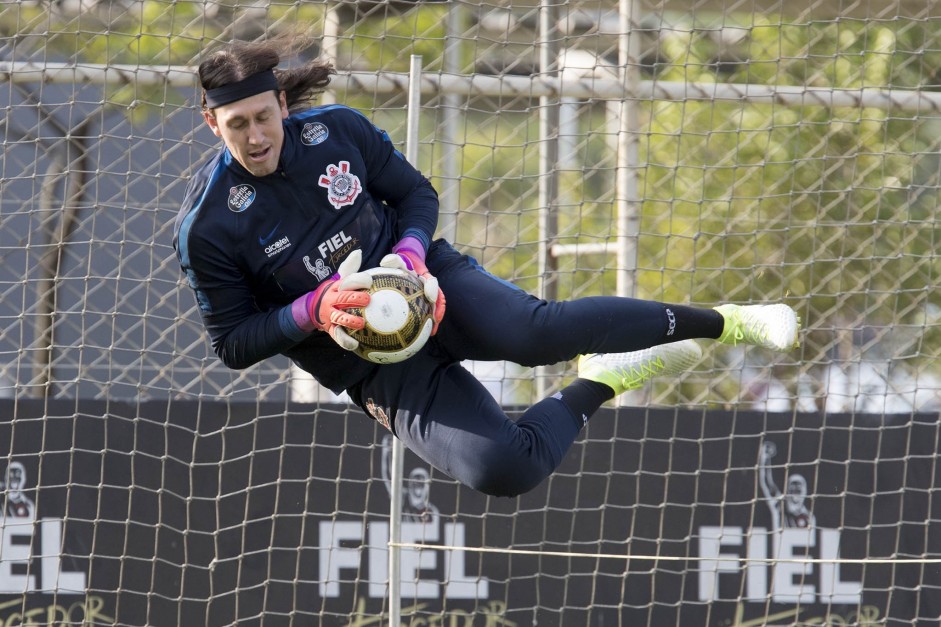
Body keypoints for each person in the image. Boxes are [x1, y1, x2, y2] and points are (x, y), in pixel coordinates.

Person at [173, 40, 801, 498]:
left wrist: (410, 257)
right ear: (211, 123)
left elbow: (416, 195)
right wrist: (314, 309)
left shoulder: (337, 131)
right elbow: (232, 343)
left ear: (282, 103)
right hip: (365, 364)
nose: (256, 137)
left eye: (263, 117)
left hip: (431, 285)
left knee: (536, 334)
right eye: (237, 126)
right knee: (503, 470)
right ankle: (603, 381)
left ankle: (728, 323)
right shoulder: (207, 229)